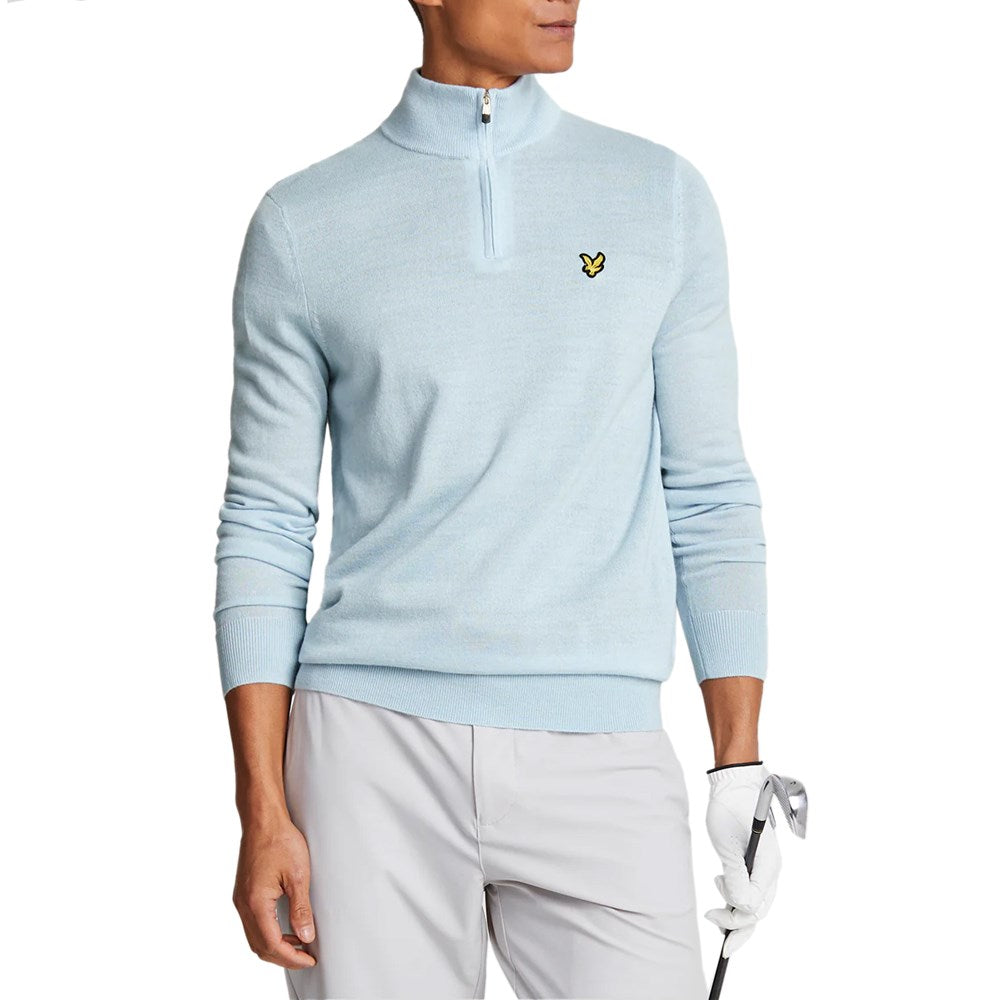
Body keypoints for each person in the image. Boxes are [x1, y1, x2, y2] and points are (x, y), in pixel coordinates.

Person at [213, 2, 781, 997]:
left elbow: (707, 492)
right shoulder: (305, 223)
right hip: (369, 750)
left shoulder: (659, 196)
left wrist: (738, 764)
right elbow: (265, 521)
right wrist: (262, 806)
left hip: (602, 744)